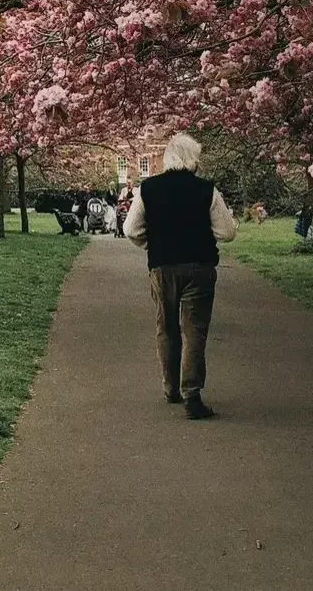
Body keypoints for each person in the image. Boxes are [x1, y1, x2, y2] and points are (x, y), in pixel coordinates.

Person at [124, 133, 237, 420]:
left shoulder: (148, 189)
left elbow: (131, 229)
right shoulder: (206, 191)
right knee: (194, 330)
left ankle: (170, 387)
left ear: (167, 159)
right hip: (198, 268)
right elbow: (227, 232)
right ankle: (192, 395)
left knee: (167, 327)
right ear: (193, 160)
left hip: (162, 268)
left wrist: (154, 245)